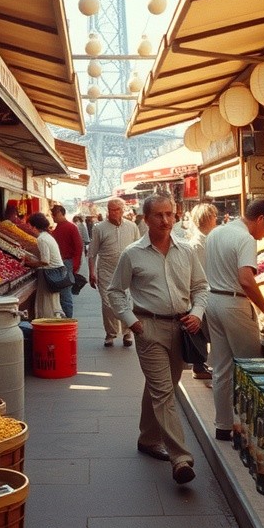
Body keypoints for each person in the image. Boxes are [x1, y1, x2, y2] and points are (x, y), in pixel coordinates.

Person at [107, 193, 209, 485]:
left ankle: (148, 438)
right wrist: (131, 321)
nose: (165, 220)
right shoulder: (132, 254)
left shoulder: (186, 250)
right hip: (148, 329)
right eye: (158, 215)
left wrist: (197, 313)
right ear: (145, 218)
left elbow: (201, 287)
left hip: (182, 329)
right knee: (164, 392)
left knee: (162, 386)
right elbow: (115, 291)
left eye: (169, 214)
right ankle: (181, 458)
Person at [205, 197, 264, 442]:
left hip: (213, 300)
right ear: (260, 219)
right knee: (252, 367)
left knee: (222, 368)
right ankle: (252, 431)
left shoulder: (216, 232)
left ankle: (223, 425)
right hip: (235, 304)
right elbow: (246, 280)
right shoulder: (246, 239)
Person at [88, 197, 139, 346]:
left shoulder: (132, 227)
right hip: (106, 271)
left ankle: (127, 332)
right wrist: (92, 272)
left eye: (116, 210)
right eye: (110, 210)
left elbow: (138, 249)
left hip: (126, 271)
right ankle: (110, 333)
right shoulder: (99, 228)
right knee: (108, 304)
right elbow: (92, 252)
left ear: (122, 210)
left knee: (126, 302)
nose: (113, 213)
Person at [186, 202, 219, 381]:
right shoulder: (197, 244)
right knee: (201, 331)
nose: (216, 219)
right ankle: (199, 366)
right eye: (213, 216)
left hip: (208, 291)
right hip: (203, 292)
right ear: (206, 219)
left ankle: (201, 365)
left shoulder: (206, 240)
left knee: (204, 331)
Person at [27, 212, 66, 319]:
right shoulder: (47, 236)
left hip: (50, 273)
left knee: (47, 303)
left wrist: (30, 264)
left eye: (30, 226)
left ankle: (48, 322)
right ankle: (54, 320)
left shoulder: (42, 239)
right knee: (53, 302)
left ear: (34, 227)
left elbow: (45, 261)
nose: (29, 228)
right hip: (57, 272)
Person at [50, 205, 83, 318]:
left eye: (55, 214)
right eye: (52, 214)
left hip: (66, 263)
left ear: (61, 213)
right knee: (62, 294)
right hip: (59, 263)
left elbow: (78, 247)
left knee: (65, 293)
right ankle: (65, 317)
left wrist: (75, 265)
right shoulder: (57, 228)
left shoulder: (71, 227)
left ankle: (68, 318)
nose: (53, 217)